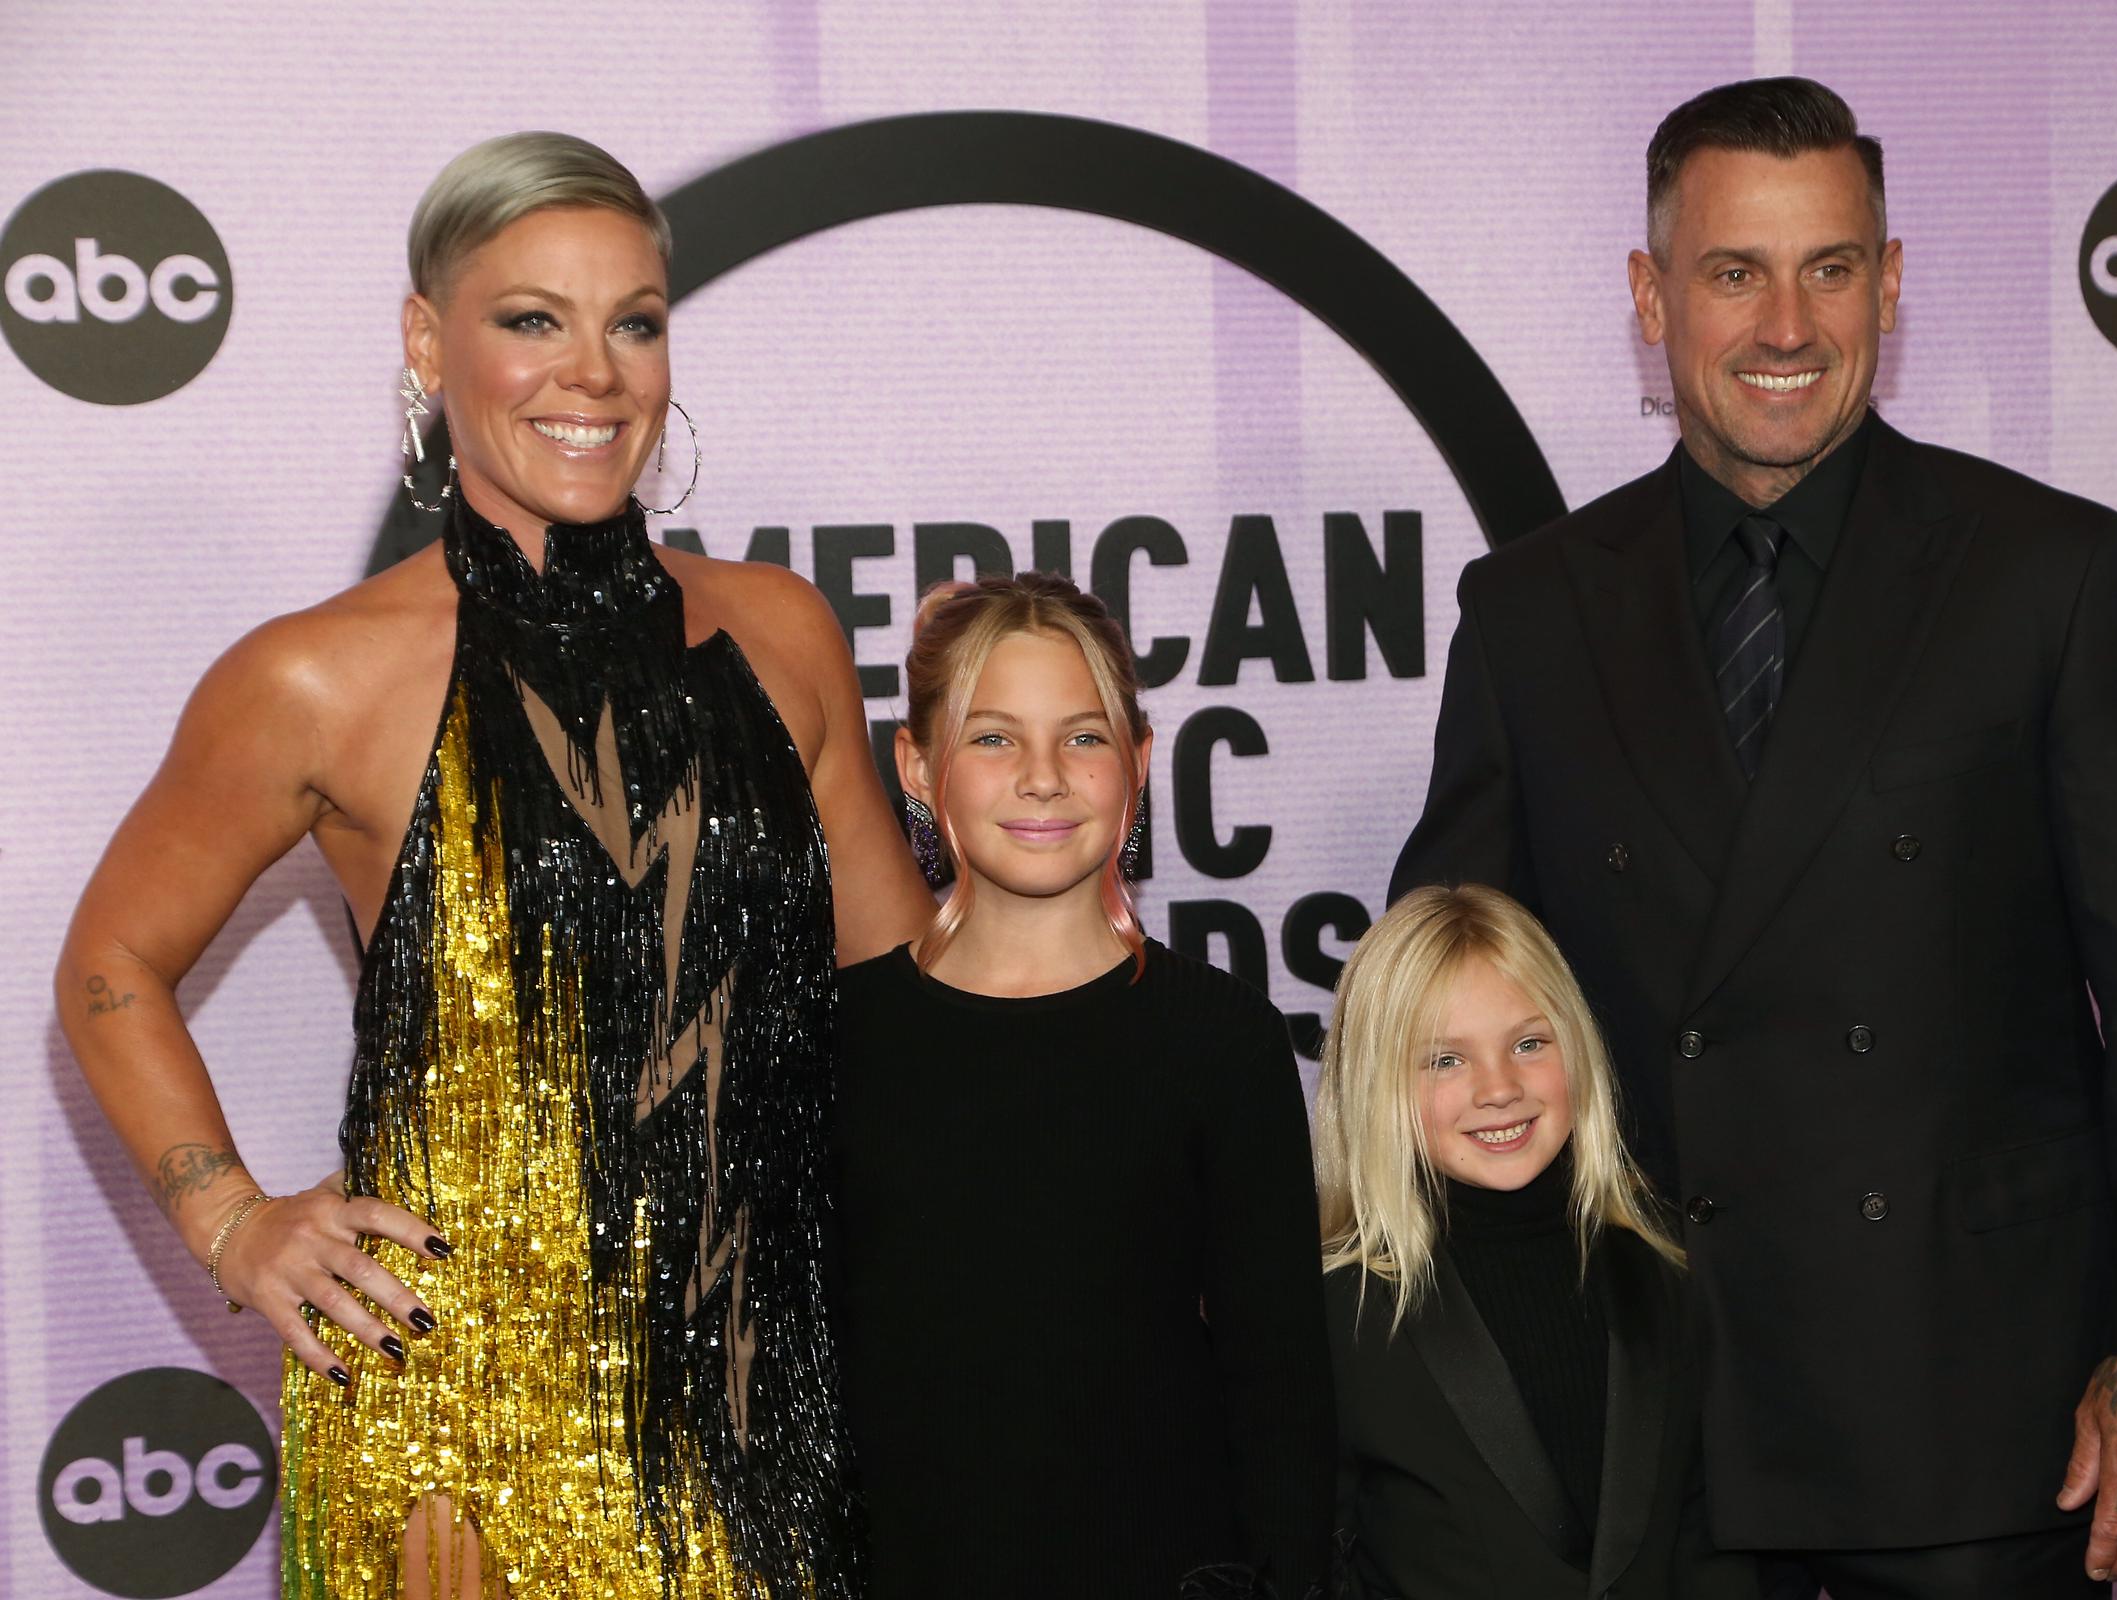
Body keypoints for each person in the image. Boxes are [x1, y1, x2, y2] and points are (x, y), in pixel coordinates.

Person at [1391, 78, 2117, 1597]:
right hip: (1656, 1424)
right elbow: (1445, 981)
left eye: (1832, 268)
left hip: (1975, 1413)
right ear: (1650, 296)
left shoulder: (2050, 576)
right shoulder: (1533, 607)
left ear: (1894, 278)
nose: (1787, 324)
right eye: (1736, 272)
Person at [55, 131, 930, 1598]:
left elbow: (899, 1009)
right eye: (533, 319)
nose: (593, 371)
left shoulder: (784, 633)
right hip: (462, 1448)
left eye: (633, 322)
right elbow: (109, 965)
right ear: (427, 339)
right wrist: (231, 1220)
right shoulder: (315, 678)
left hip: (781, 1404)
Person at [835, 572, 1335, 1598]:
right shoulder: (837, 1037)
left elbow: (1282, 1397)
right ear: (917, 764)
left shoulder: (1221, 1039)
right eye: (993, 737)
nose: (1043, 776)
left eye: (1084, 735)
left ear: (1140, 764)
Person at [1316, 884, 1761, 1600]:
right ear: (1377, 1085)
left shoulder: (1671, 1266)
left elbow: (1716, 1539)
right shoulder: (1339, 1312)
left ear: (1577, 1049)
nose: (1499, 1088)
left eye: (1529, 1043)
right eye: (1445, 1060)